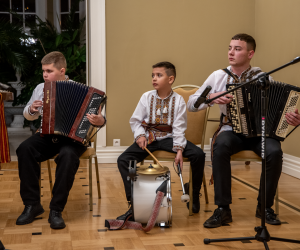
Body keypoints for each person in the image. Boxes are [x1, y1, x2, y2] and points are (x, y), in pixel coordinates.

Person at [187, 33, 300, 228]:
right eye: (230, 48)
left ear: (250, 54)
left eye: (237, 49)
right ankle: (223, 209)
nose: (231, 52)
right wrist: (212, 97)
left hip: (260, 133)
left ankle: (264, 207)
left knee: (274, 151)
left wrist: (293, 120)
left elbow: (278, 110)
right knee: (220, 147)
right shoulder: (218, 76)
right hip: (231, 130)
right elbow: (191, 104)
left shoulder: (263, 78)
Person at [16, 51, 106, 229]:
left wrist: (99, 120)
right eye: (43, 71)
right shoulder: (40, 89)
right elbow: (28, 114)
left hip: (73, 140)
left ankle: (56, 210)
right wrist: (32, 110)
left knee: (67, 156)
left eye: (49, 71)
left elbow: (101, 119)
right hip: (47, 136)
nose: (45, 75)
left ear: (62, 71)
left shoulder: (86, 92)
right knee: (24, 149)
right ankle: (32, 205)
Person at [116, 61, 206, 220]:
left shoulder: (178, 100)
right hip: (149, 138)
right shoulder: (146, 96)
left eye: (159, 75)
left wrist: (179, 150)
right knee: (124, 160)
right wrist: (140, 135)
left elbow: (179, 127)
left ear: (170, 79)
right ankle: (134, 202)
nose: (154, 78)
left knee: (199, 154)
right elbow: (136, 121)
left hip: (170, 139)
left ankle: (192, 191)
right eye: (152, 75)